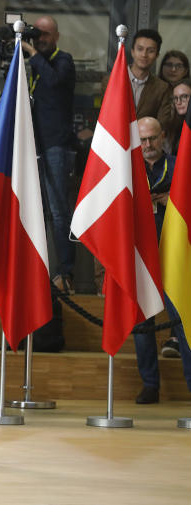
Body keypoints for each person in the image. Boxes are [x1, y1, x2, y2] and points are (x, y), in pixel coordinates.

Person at [131, 117, 191, 403]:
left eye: (153, 138)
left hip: (174, 256)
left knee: (182, 320)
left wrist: (173, 199)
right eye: (142, 140)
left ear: (163, 136)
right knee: (143, 324)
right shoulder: (129, 170)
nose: (148, 145)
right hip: (142, 257)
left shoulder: (180, 166)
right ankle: (150, 384)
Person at [24, 15, 77, 294]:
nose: (40, 38)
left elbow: (55, 81)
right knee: (36, 210)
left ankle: (66, 273)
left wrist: (33, 55)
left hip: (56, 145)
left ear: (56, 36)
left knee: (59, 212)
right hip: (33, 146)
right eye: (36, 34)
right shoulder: (30, 63)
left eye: (45, 34)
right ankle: (36, 270)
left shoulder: (63, 60)